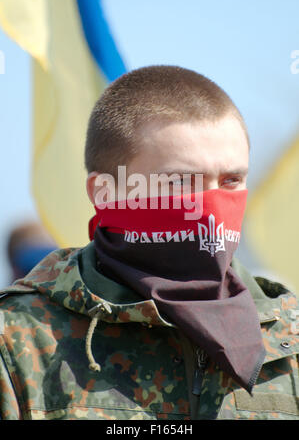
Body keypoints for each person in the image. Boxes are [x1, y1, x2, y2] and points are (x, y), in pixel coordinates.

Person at [0, 66, 298, 421]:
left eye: (232, 180)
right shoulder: (18, 339)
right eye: (181, 182)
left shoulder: (288, 335)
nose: (212, 206)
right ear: (105, 192)